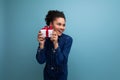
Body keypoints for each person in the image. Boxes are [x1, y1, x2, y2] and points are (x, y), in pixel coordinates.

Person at [36, 10, 73, 80]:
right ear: (51, 24)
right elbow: (41, 61)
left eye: (64, 25)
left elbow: (61, 62)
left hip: (61, 76)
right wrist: (41, 45)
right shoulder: (45, 38)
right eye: (59, 24)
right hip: (48, 76)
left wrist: (55, 44)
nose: (62, 27)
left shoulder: (68, 39)